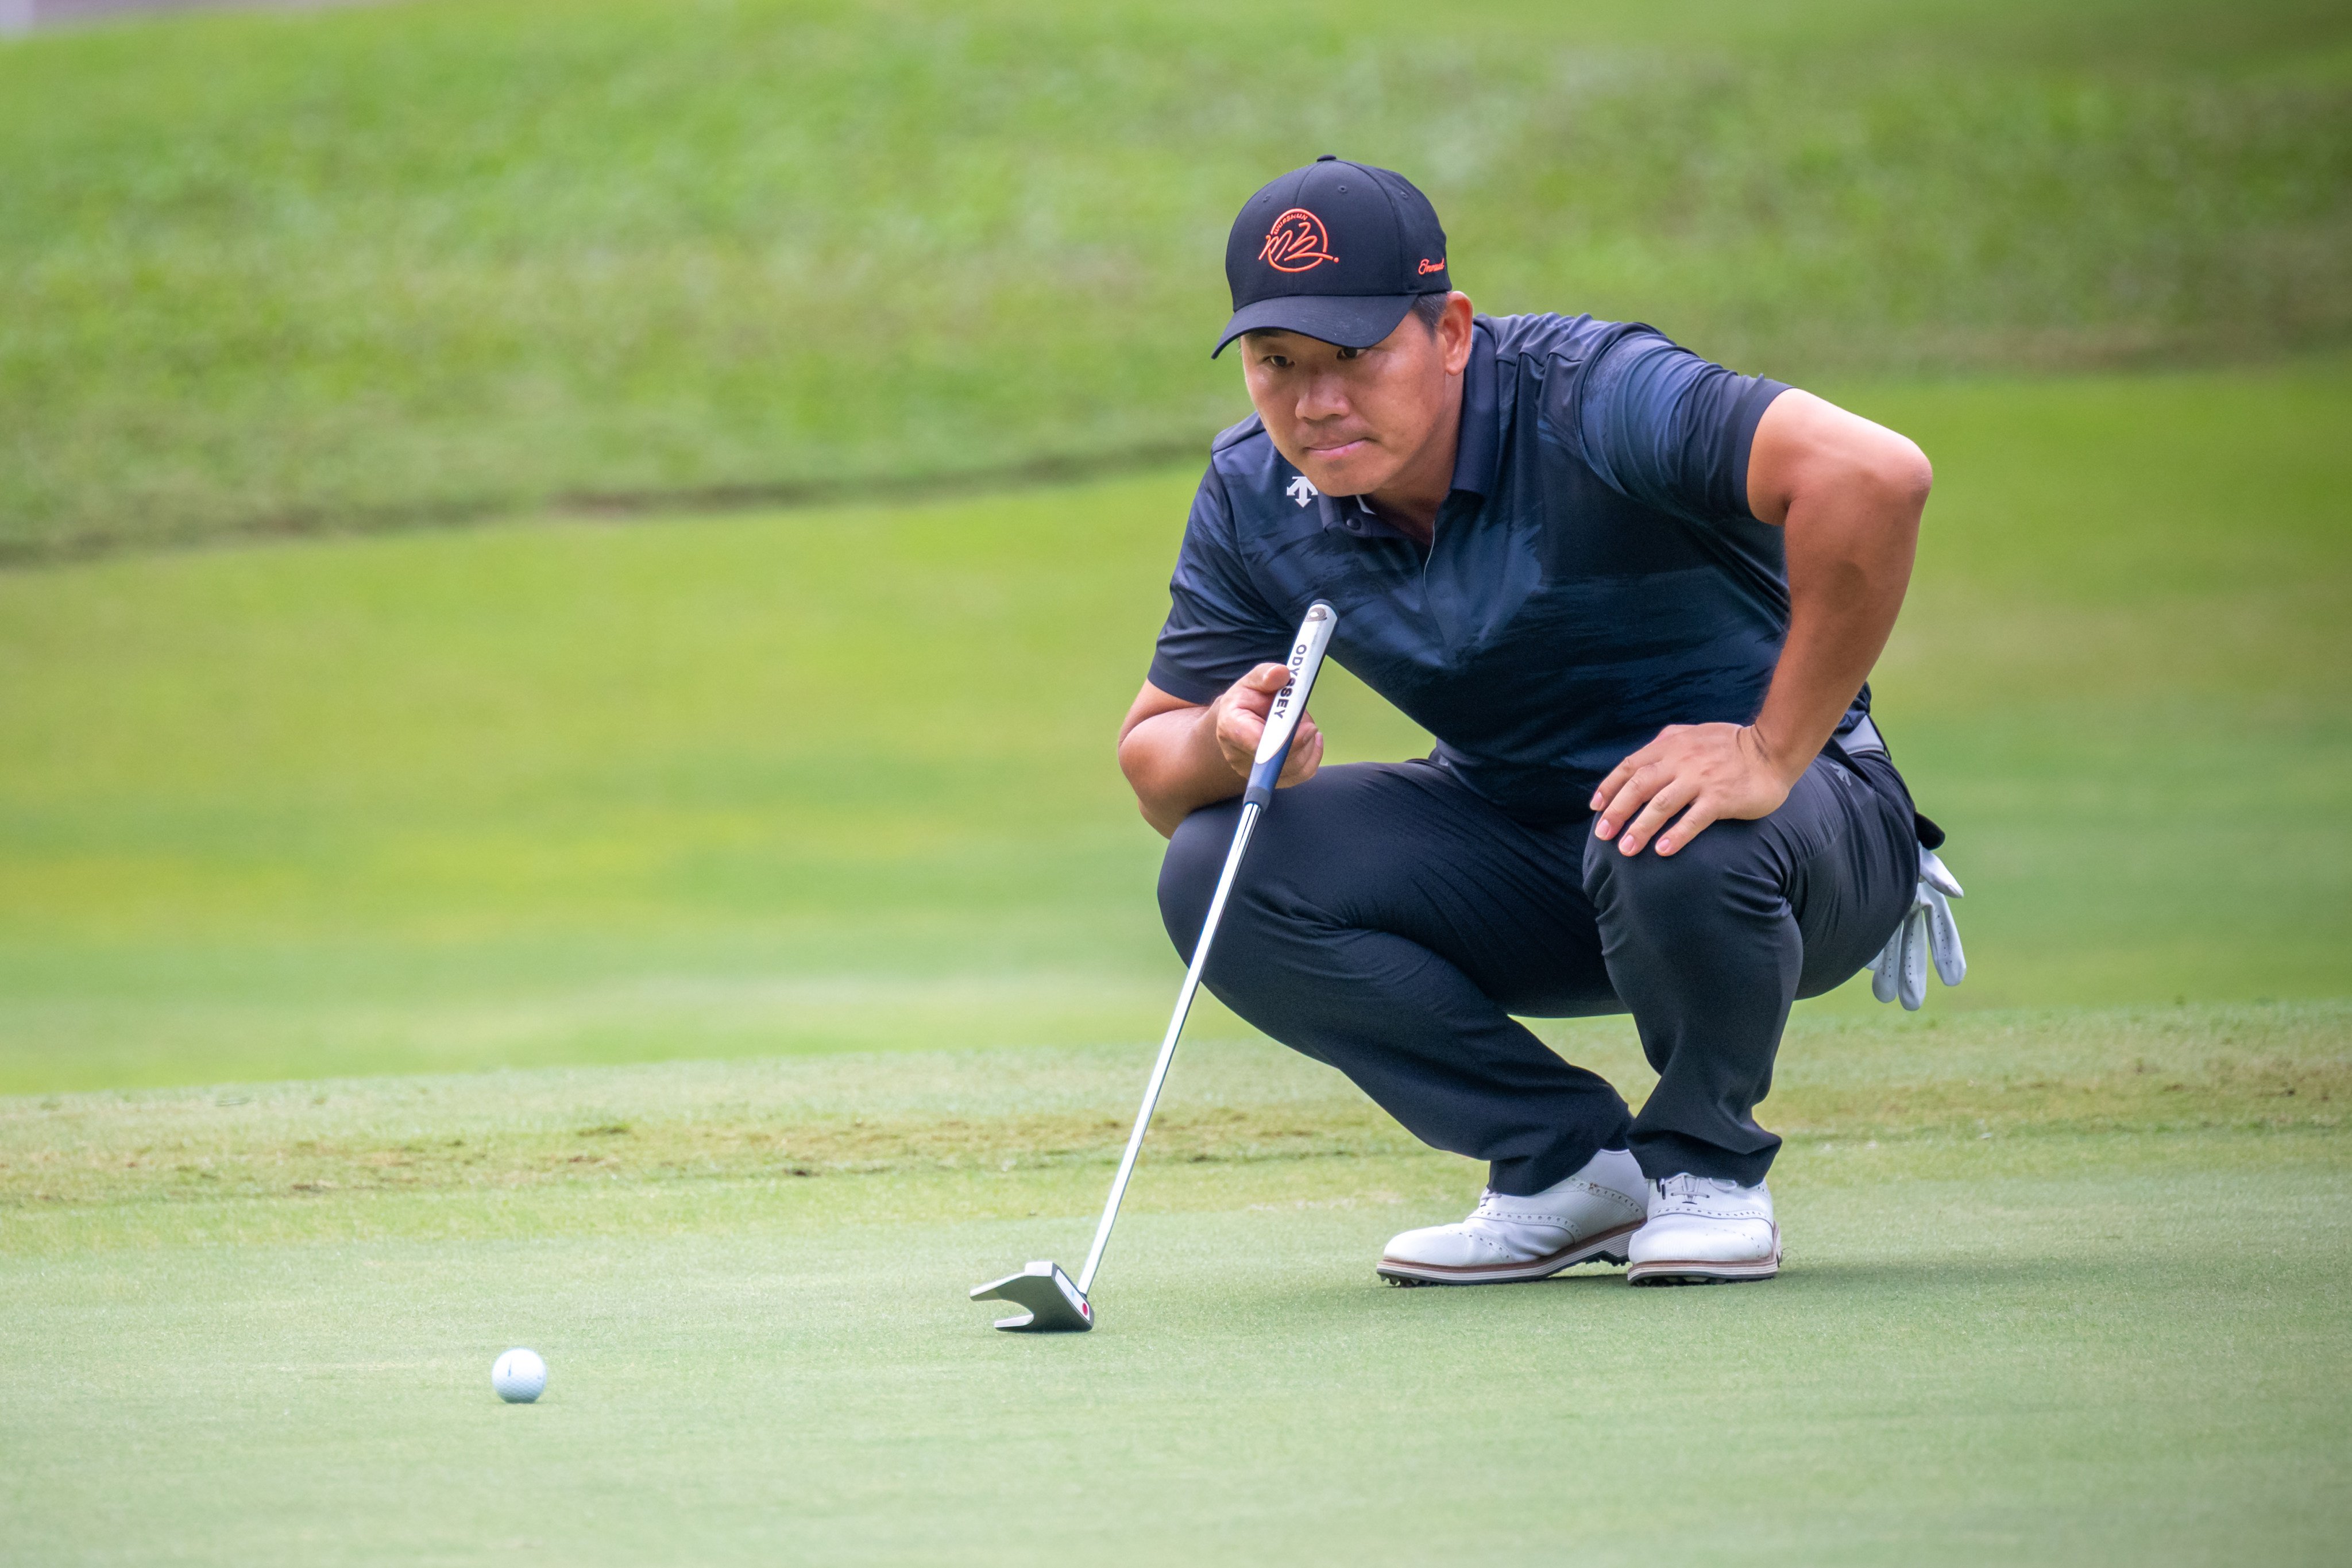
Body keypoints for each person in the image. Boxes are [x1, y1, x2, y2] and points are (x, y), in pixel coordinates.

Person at [1119, 156, 1959, 1288]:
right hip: (1527, 849)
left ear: (1451, 331)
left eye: (1355, 357)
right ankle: (1566, 1167)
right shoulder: (1254, 493)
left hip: (1794, 844)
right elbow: (1153, 764)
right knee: (1217, 863)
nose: (1315, 403)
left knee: (1665, 822)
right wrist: (1225, 739)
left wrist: (1768, 749)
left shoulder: (1591, 393)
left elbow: (1873, 473)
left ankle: (1706, 1169)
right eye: (1278, 364)